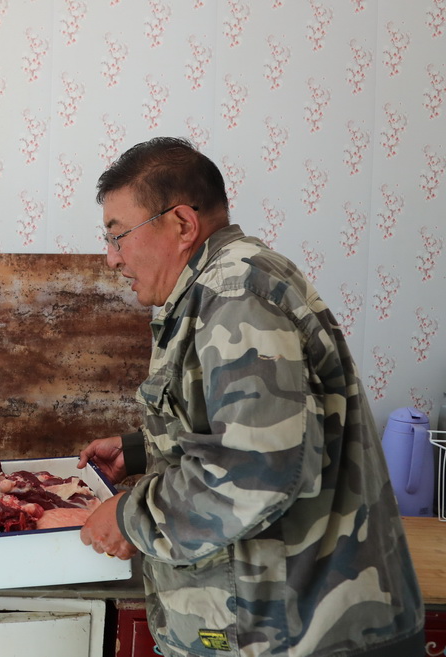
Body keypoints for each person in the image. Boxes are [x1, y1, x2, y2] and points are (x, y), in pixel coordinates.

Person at [77, 137, 424, 657]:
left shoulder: (236, 294)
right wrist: (140, 450)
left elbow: (258, 469)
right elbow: (247, 427)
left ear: (182, 224)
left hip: (308, 637)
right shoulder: (220, 286)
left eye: (118, 235)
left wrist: (131, 516)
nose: (111, 258)